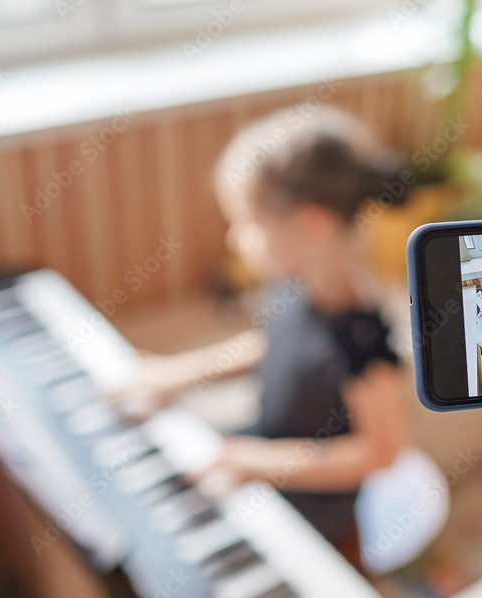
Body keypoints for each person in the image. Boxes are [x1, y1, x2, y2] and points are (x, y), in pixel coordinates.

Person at [110, 106, 411, 560]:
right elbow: (271, 346)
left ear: (311, 226)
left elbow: (381, 450)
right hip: (267, 448)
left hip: (315, 516)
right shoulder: (295, 284)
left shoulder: (359, 334)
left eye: (249, 222)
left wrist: (255, 462)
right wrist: (180, 374)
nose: (236, 239)